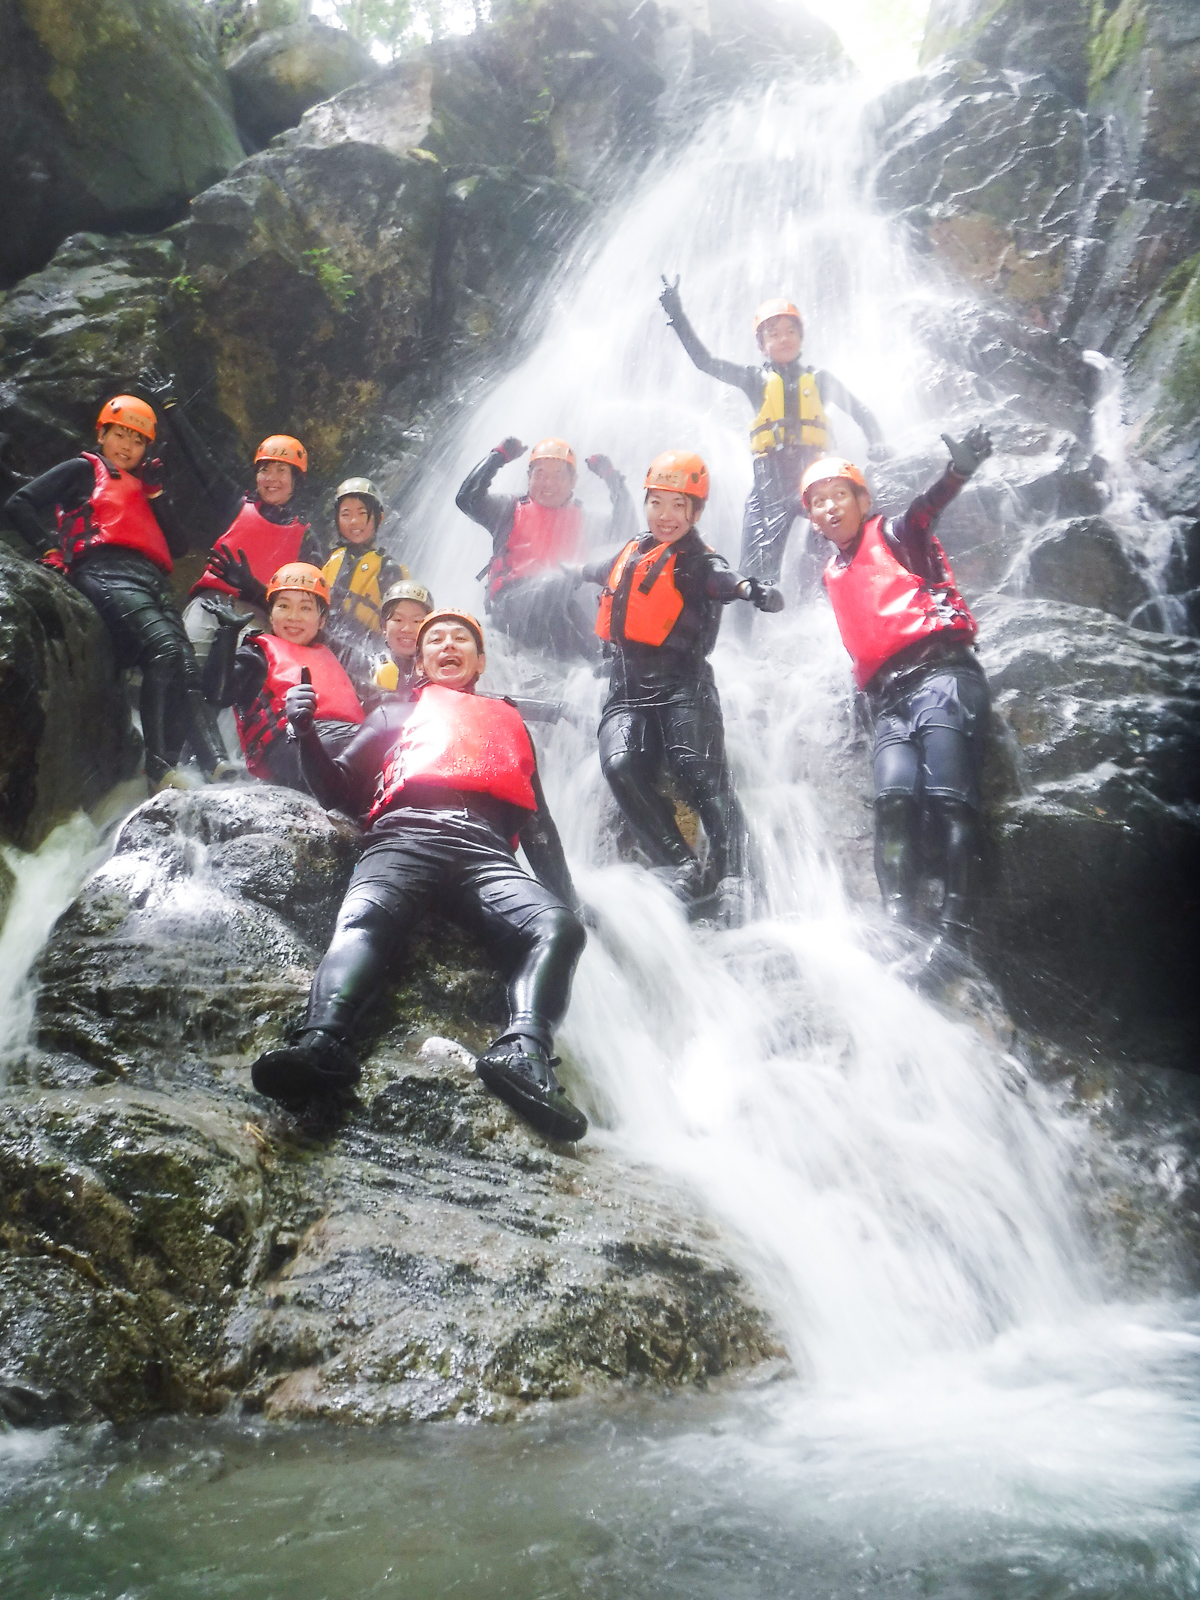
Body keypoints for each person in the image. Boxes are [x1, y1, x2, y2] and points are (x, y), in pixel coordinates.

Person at [249, 608, 589, 1143]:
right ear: (421, 658)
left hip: (486, 850)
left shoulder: (509, 721)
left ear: (480, 660)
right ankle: (322, 1041)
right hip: (406, 834)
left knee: (559, 929)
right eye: (435, 640)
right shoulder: (394, 711)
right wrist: (305, 731)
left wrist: (567, 899)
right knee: (365, 921)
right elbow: (337, 791)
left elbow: (539, 825)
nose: (448, 645)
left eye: (461, 639)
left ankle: (523, 1053)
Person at [800, 427, 993, 977]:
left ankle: (953, 940)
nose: (829, 505)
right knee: (892, 804)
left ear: (862, 500)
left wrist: (957, 472)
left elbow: (924, 511)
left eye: (839, 494)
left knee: (950, 799)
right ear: (812, 518)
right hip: (889, 700)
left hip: (942, 676)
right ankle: (897, 925)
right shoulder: (831, 573)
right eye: (817, 501)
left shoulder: (896, 534)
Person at [573, 450, 783, 925]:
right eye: (657, 503)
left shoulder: (697, 563)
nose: (666, 516)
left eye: (678, 506)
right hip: (625, 686)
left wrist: (752, 590)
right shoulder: (631, 552)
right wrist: (564, 574)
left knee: (699, 771)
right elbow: (595, 569)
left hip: (682, 683)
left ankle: (737, 874)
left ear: (696, 512)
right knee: (622, 765)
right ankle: (681, 865)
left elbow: (721, 582)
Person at [3, 394, 227, 789]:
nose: (127, 446)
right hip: (105, 570)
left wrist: (158, 495)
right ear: (102, 434)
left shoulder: (146, 485)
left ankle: (218, 763)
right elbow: (20, 503)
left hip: (153, 580)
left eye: (137, 440)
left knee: (187, 668)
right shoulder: (82, 469)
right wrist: (50, 550)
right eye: (120, 435)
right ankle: (159, 768)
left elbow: (177, 545)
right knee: (165, 651)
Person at [657, 281, 884, 633]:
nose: (784, 339)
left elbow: (862, 411)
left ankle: (840, 628)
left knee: (834, 555)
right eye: (773, 334)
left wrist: (878, 443)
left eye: (791, 331)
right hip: (769, 484)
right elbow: (705, 362)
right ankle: (743, 650)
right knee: (754, 576)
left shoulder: (820, 379)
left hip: (814, 481)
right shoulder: (754, 379)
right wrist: (677, 315)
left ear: (801, 337)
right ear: (762, 345)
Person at [136, 374, 324, 666]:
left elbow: (308, 606)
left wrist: (252, 587)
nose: (271, 479)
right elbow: (201, 460)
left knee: (241, 690)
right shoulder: (236, 503)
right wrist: (171, 405)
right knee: (184, 674)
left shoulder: (307, 540)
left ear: (296, 480)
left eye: (281, 471)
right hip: (210, 604)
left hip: (257, 616)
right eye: (264, 470)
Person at [455, 436, 636, 658]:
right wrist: (498, 457)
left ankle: (603, 662)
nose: (548, 483)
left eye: (558, 475)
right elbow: (467, 499)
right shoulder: (508, 510)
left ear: (573, 482)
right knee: (559, 582)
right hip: (513, 608)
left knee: (604, 593)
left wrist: (612, 478)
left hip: (563, 610)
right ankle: (596, 658)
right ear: (528, 478)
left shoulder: (583, 519)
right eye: (540, 474)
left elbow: (626, 526)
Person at [203, 562, 364, 791]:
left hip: (342, 738)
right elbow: (216, 694)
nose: (293, 617)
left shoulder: (331, 656)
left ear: (322, 621)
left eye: (305, 608)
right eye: (284, 606)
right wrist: (226, 634)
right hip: (293, 741)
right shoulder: (257, 655)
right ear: (271, 616)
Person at [321, 477, 408, 658]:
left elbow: (405, 625)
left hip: (367, 651)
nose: (354, 521)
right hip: (327, 640)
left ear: (379, 518)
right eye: (346, 514)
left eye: (362, 513)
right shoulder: (334, 560)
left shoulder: (389, 569)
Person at [371, 579, 435, 698]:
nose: (407, 629)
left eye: (416, 621)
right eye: (398, 620)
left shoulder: (439, 674)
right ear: (384, 626)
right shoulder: (367, 666)